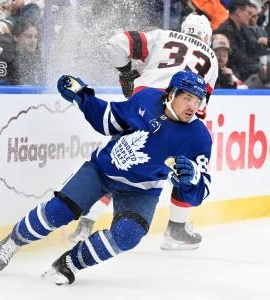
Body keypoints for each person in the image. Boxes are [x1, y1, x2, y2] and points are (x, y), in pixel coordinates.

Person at [0, 70, 213, 285]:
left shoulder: (199, 138)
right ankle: (14, 240)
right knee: (59, 211)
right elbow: (110, 120)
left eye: (197, 101)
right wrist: (83, 97)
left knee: (129, 234)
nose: (193, 106)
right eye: (187, 98)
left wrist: (192, 178)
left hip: (142, 189)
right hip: (102, 169)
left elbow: (200, 192)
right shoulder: (146, 98)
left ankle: (68, 263)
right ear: (171, 94)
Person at [68, 13, 218, 250]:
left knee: (119, 162)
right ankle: (176, 229)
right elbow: (199, 108)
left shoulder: (163, 36)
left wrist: (127, 74)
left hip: (142, 104)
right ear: (207, 37)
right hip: (176, 115)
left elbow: (116, 44)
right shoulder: (211, 57)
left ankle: (86, 223)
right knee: (182, 168)